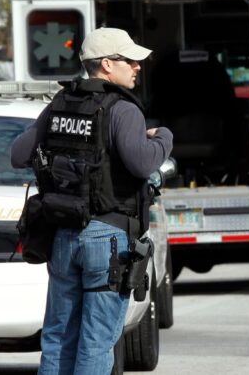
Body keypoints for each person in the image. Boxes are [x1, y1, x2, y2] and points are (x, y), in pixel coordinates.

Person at [11, 28, 173, 374]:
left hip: (64, 236)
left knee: (58, 336)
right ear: (106, 64)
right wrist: (163, 138)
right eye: (129, 60)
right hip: (107, 239)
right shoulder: (123, 110)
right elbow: (143, 163)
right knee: (97, 341)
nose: (137, 66)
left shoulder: (60, 104)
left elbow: (18, 153)